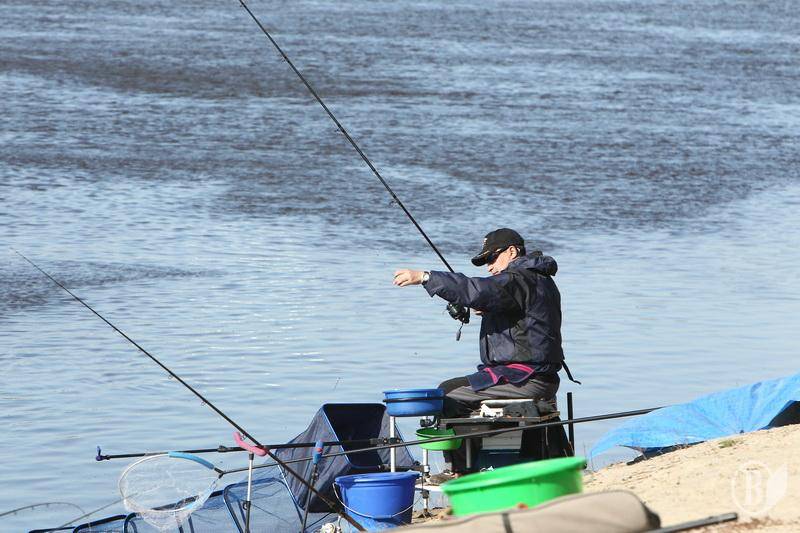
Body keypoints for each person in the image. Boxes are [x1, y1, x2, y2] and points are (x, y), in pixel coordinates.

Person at [393, 228, 573, 476]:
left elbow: (477, 290)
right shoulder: (536, 279)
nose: (489, 266)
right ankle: (481, 461)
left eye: (492, 258)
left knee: (448, 394)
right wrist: (491, 309)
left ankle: (461, 471)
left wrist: (425, 277)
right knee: (453, 388)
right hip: (533, 374)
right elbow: (517, 314)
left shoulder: (518, 279)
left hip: (527, 377)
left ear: (512, 251)